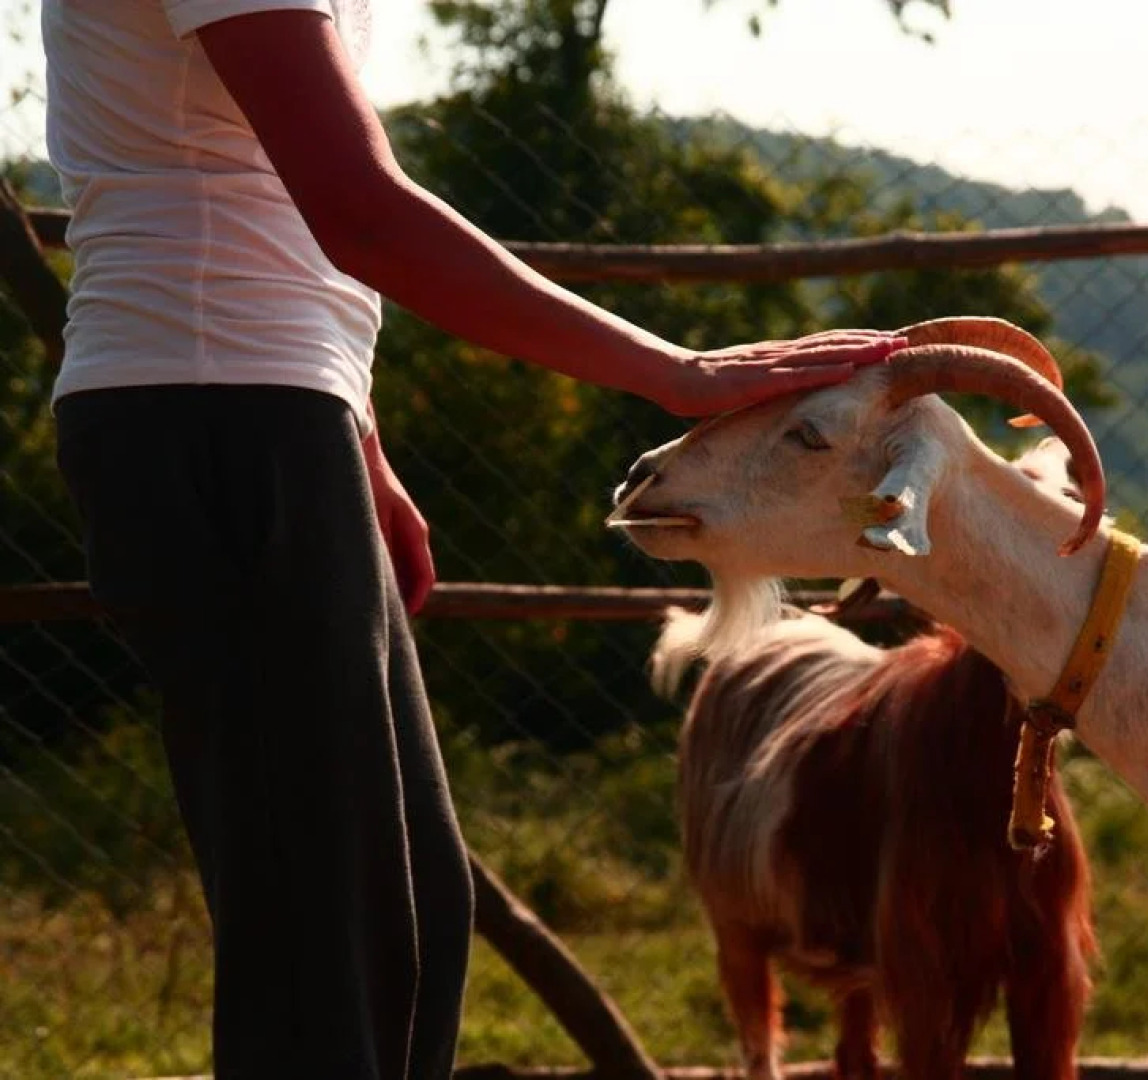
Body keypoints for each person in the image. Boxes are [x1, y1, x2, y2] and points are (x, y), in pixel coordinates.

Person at [39, 3, 904, 1078]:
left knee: (405, 907)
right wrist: (678, 373)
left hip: (269, 419)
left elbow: (270, 215)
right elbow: (357, 212)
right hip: (215, 419)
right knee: (323, 942)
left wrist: (359, 445)